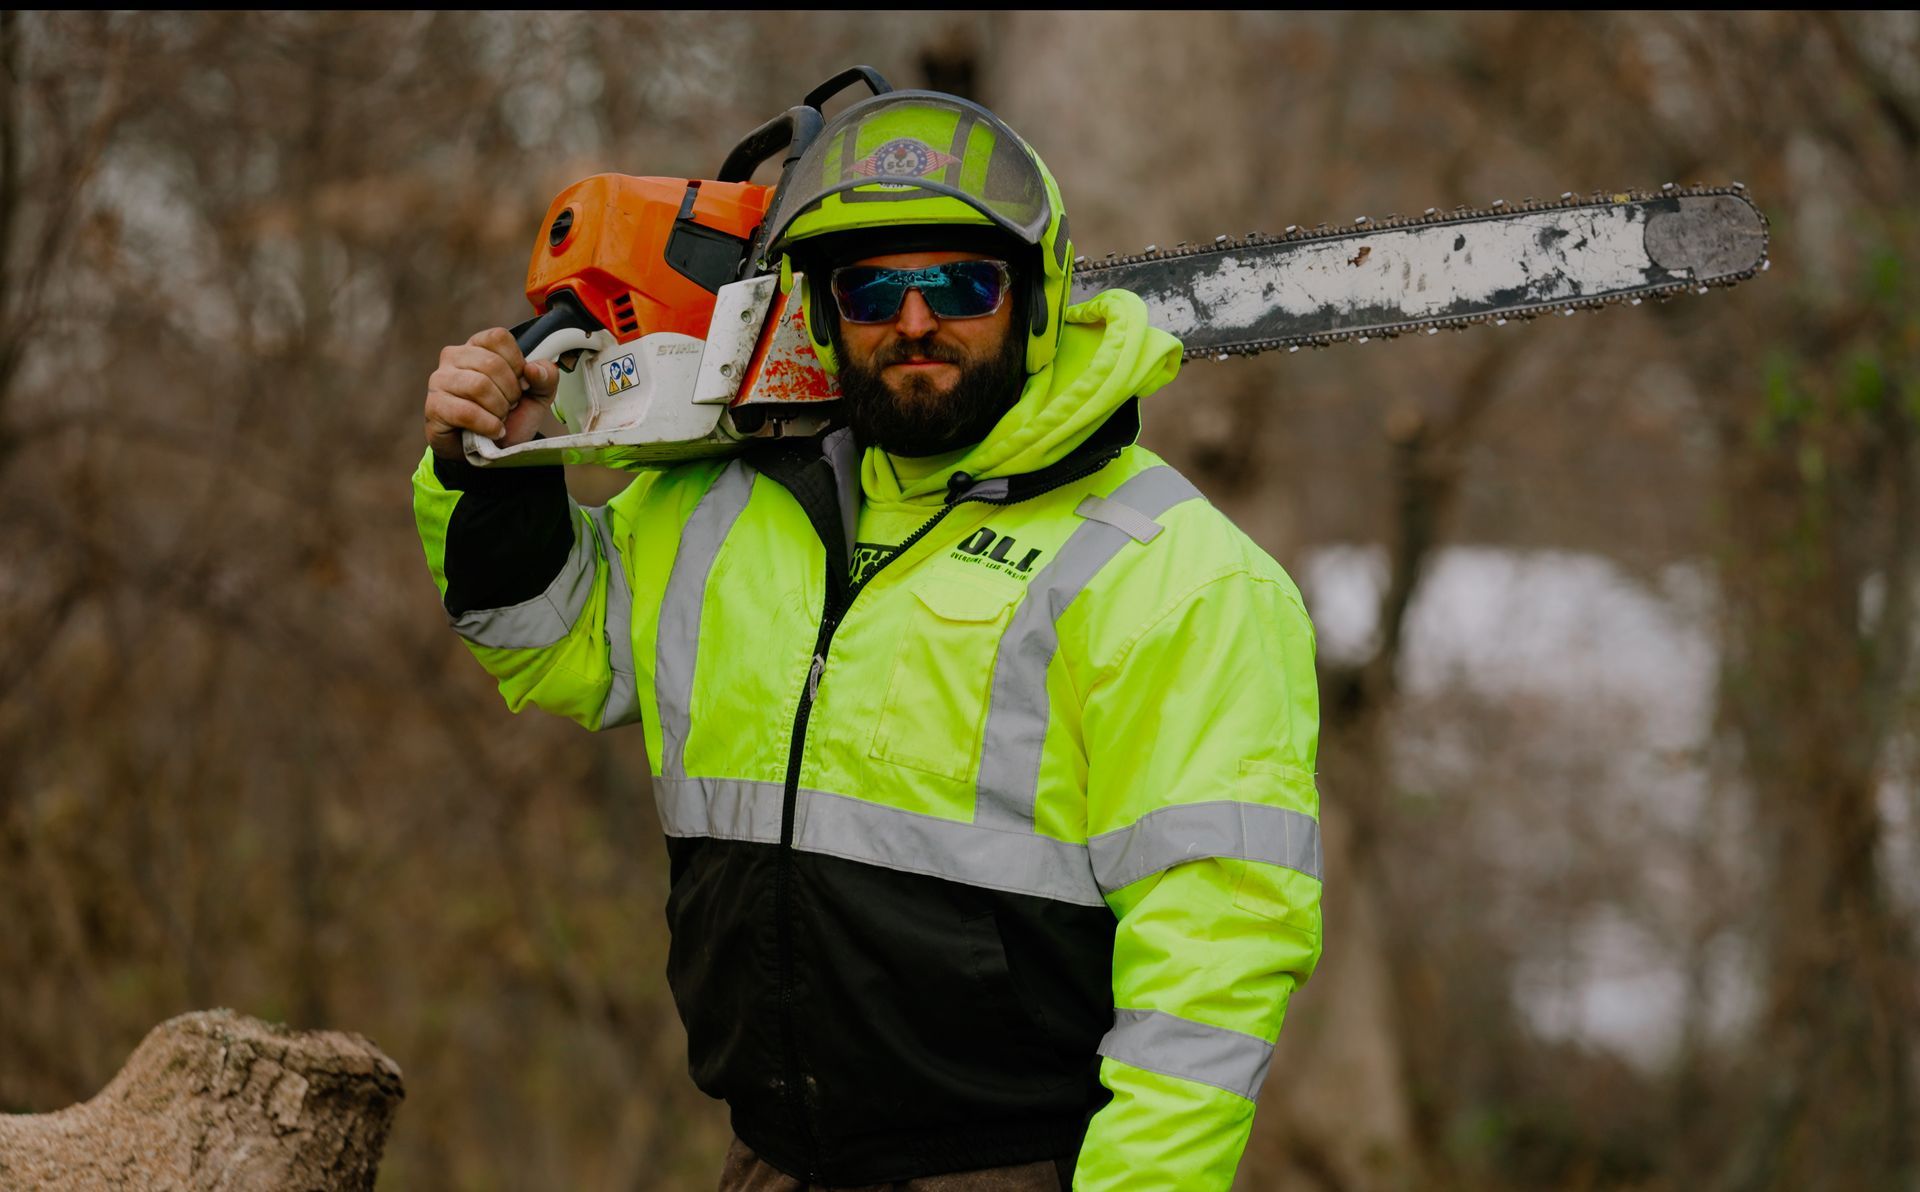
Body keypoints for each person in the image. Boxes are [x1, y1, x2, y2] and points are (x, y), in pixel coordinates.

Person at [413, 88, 1322, 1191]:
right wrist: (496, 468)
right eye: (873, 287)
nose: (914, 320)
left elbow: (1215, 964)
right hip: (770, 1160)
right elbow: (549, 641)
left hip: (1013, 1168)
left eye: (961, 283)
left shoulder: (1174, 571)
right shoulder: (730, 506)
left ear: (1036, 297)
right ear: (819, 309)